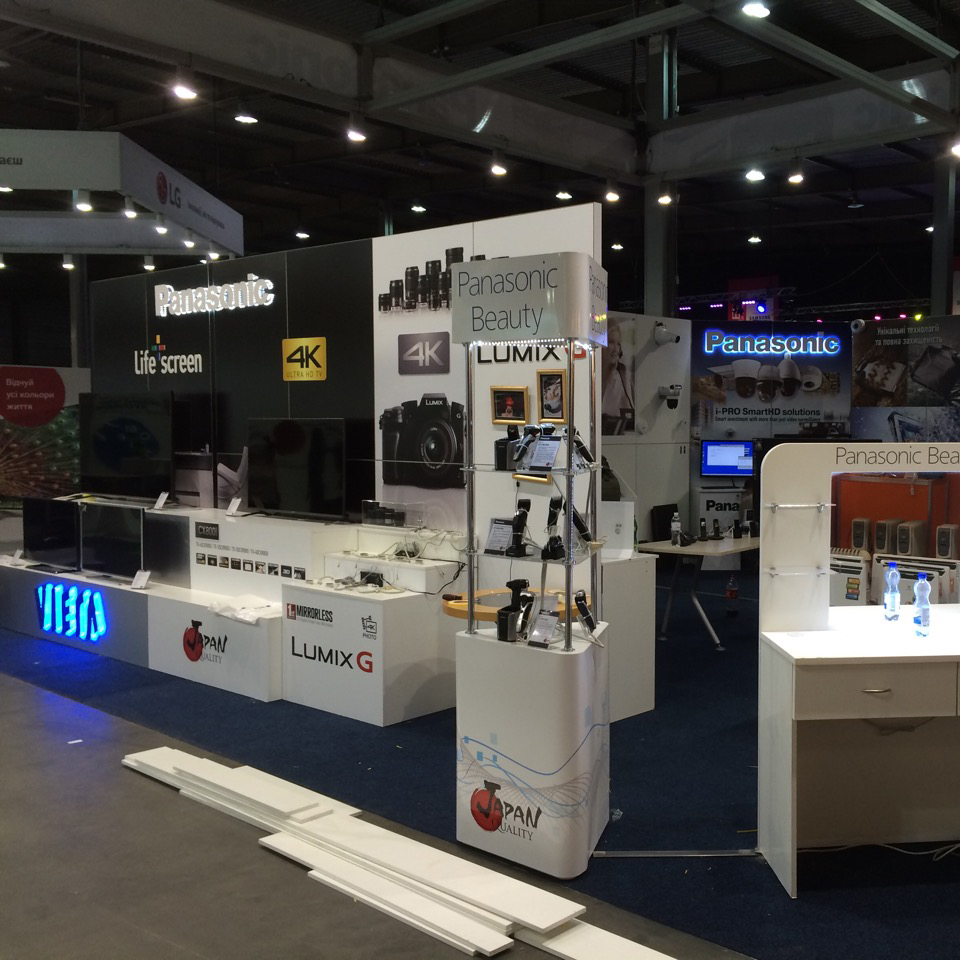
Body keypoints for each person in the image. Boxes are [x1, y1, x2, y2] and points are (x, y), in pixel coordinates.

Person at [602, 317, 634, 433]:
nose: (616, 349)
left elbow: (629, 415)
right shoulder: (588, 376)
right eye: (611, 342)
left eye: (618, 344)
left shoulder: (621, 376)